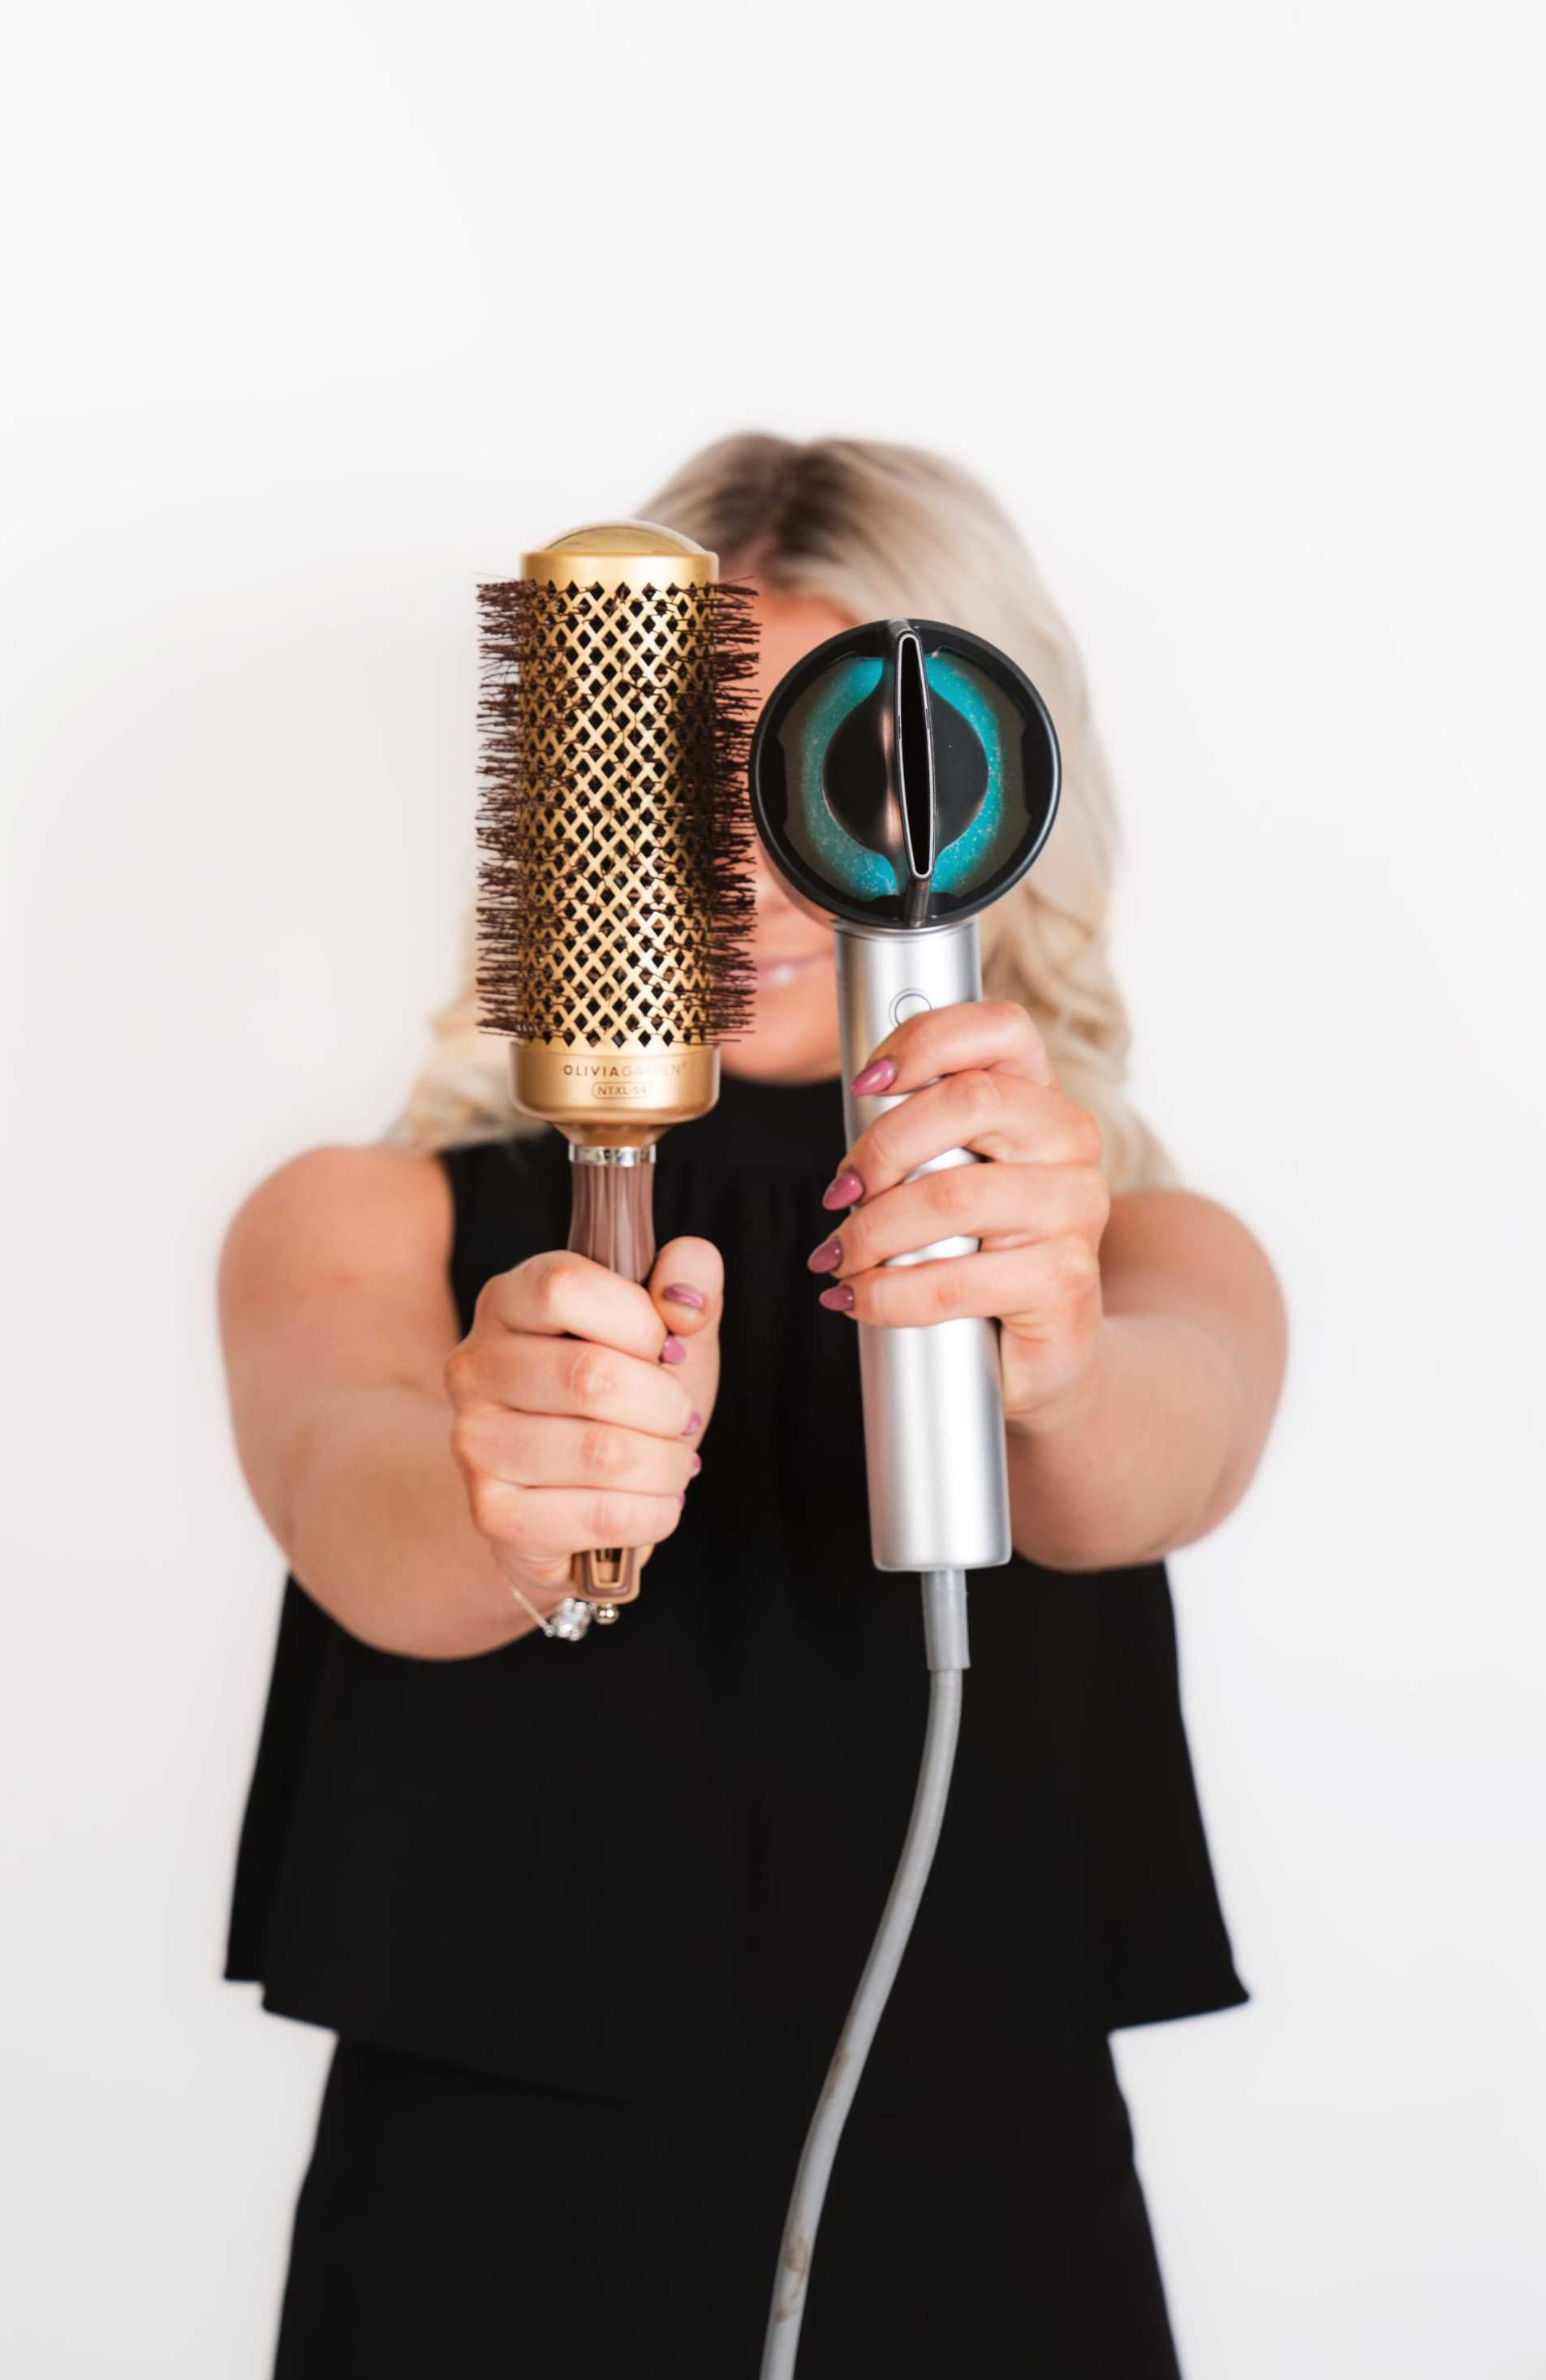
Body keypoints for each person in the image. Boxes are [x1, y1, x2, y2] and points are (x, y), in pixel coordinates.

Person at [218, 433, 1287, 2378]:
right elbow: (353, 1497)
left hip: (996, 2198)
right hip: (484, 2209)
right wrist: (510, 1492)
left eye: (823, 776)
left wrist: (1050, 1363)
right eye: (681, 784)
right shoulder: (364, 1223)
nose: (742, 870)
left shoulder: (1135, 1241)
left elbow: (1162, 1450)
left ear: (973, 788)